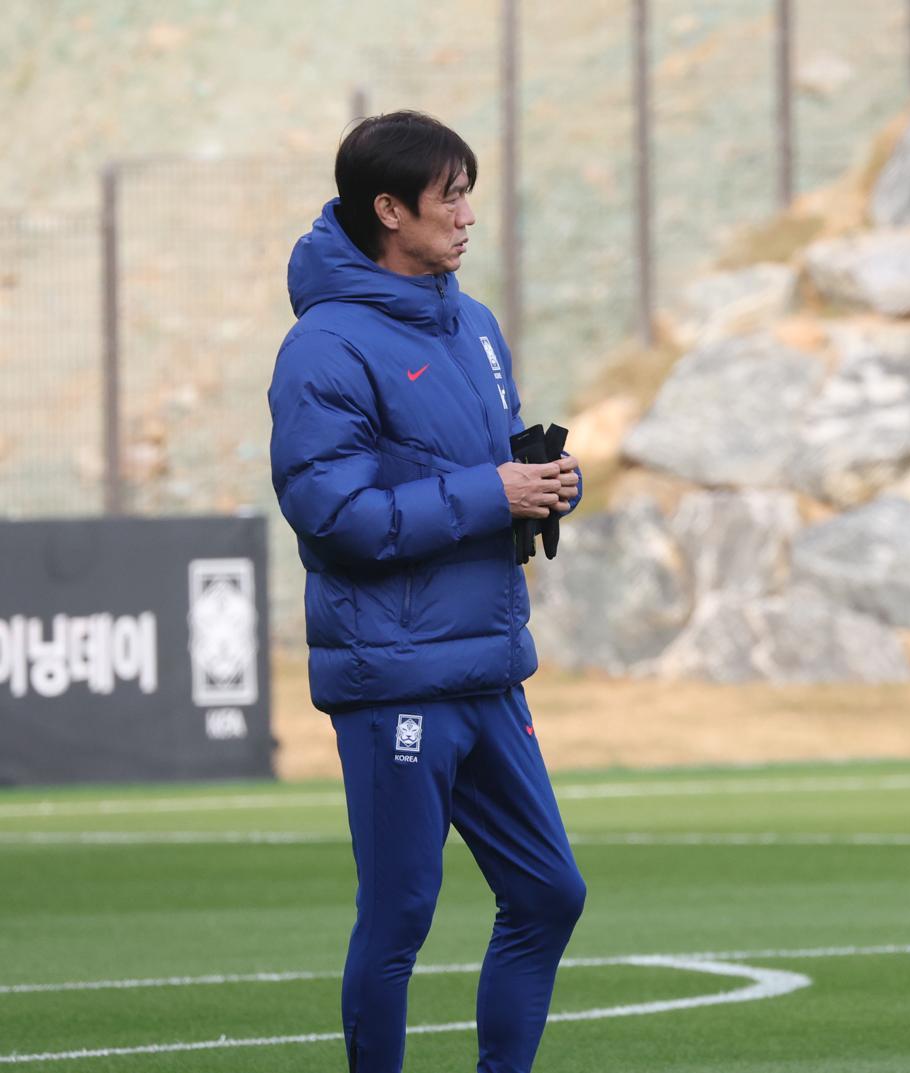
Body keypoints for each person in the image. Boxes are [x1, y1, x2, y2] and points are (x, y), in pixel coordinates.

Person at [268, 111, 585, 1073]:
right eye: (450, 194)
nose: (467, 213)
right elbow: (335, 516)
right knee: (402, 913)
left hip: (488, 662)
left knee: (547, 894)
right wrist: (492, 491)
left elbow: (488, 467)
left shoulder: (475, 325)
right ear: (389, 210)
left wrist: (546, 482)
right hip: (395, 675)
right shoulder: (324, 346)